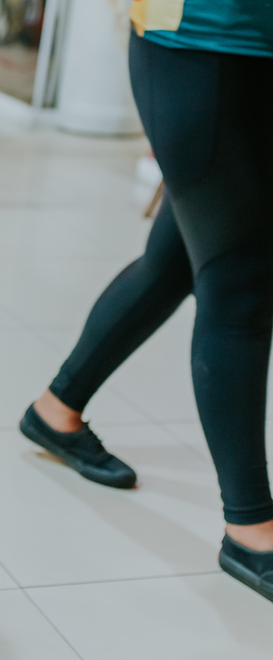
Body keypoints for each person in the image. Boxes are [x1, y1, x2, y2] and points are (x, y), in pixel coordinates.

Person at [19, 3, 273, 600]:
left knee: (180, 255)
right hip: (200, 46)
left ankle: (57, 409)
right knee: (239, 285)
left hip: (251, 51)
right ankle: (251, 529)